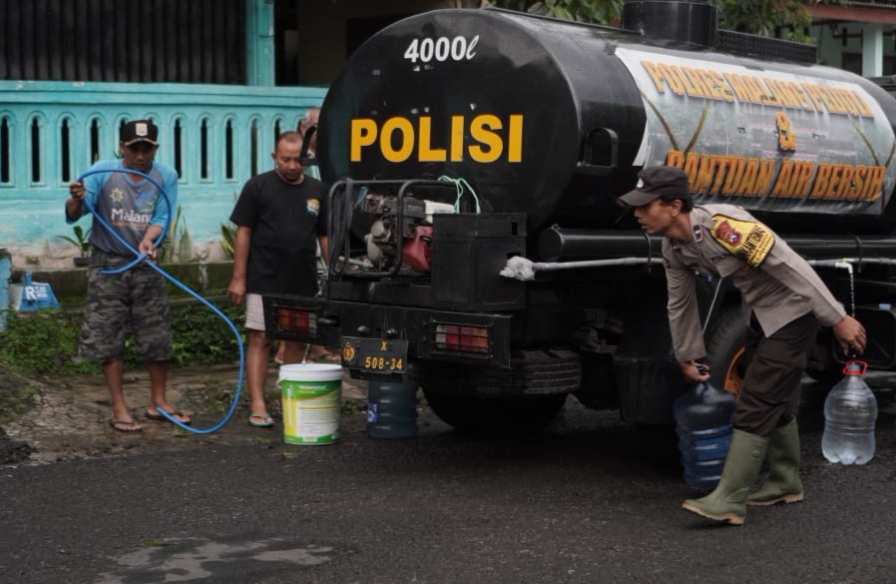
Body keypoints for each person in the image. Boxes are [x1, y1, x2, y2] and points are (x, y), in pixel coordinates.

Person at [619, 165, 867, 526]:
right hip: (761, 313)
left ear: (673, 205)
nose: (637, 213)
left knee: (757, 398)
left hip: (795, 310)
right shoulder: (673, 246)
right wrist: (688, 355)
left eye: (645, 206)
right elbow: (680, 302)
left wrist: (836, 318)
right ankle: (784, 481)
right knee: (769, 390)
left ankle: (729, 499)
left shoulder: (724, 226)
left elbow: (790, 265)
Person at [65, 119, 190, 433]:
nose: (141, 154)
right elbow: (75, 213)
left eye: (147, 148)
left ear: (154, 149)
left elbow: (162, 215)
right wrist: (77, 197)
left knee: (156, 333)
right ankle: (119, 407)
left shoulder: (166, 176)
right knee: (108, 337)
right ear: (122, 146)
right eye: (134, 147)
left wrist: (150, 239)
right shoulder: (104, 171)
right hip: (108, 264)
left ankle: (158, 402)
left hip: (145, 262)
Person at [227, 131, 330, 428]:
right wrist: (238, 278)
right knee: (261, 338)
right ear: (274, 157)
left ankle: (291, 398)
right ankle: (258, 403)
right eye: (285, 159)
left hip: (303, 280)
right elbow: (243, 232)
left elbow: (323, 235)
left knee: (297, 340)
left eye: (298, 160)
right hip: (263, 278)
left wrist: (334, 270)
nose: (292, 166)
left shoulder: (317, 190)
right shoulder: (257, 187)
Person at [274, 106, 338, 365]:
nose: (319, 132)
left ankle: (316, 346)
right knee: (289, 295)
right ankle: (283, 351)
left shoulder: (328, 156)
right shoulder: (295, 158)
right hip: (288, 239)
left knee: (313, 294)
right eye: (315, 126)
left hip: (314, 233)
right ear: (304, 128)